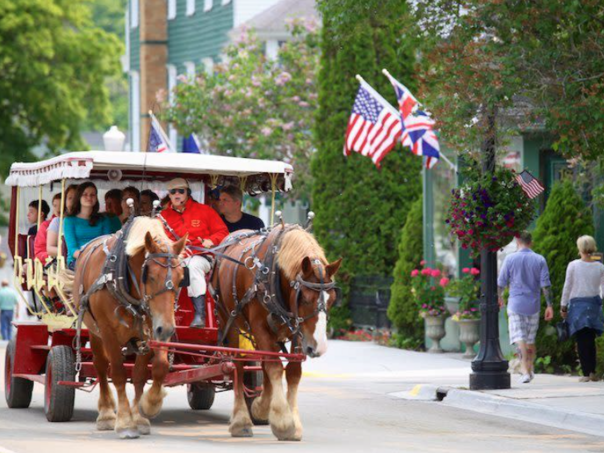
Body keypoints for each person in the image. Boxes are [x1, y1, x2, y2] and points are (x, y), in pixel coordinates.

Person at [160, 178, 228, 327]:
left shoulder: (205, 211)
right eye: (173, 191)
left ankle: (199, 315)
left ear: (188, 193)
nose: (177, 194)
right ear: (169, 195)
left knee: (193, 266)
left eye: (181, 191)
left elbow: (223, 232)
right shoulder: (162, 217)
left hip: (202, 257)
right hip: (174, 259)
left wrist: (211, 240)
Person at [498, 231, 553, 384]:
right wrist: (549, 305)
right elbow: (546, 285)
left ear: (517, 241)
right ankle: (530, 368)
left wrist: (499, 297)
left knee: (519, 338)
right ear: (531, 242)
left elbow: (501, 282)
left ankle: (524, 370)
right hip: (533, 305)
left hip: (515, 304)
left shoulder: (510, 259)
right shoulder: (539, 259)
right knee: (530, 339)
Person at [560, 235, 604, 382]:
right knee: (590, 338)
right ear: (593, 248)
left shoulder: (573, 265)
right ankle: (592, 372)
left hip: (577, 306)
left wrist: (563, 306)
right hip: (593, 306)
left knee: (581, 339)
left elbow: (567, 286)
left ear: (580, 248)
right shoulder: (600, 266)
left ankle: (586, 373)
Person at [63, 182, 121, 270]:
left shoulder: (104, 219)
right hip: (77, 260)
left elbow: (107, 242)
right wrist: (90, 259)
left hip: (99, 259)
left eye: (92, 195)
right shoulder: (69, 220)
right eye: (85, 194)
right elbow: (72, 249)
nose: (89, 197)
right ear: (79, 197)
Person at [47, 184, 79, 259]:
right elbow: (50, 249)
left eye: (76, 198)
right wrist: (67, 251)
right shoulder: (58, 221)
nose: (72, 201)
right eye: (70, 198)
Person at [34, 193, 61, 264]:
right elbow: (39, 251)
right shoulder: (45, 225)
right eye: (55, 206)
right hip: (51, 262)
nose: (58, 209)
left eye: (62, 205)